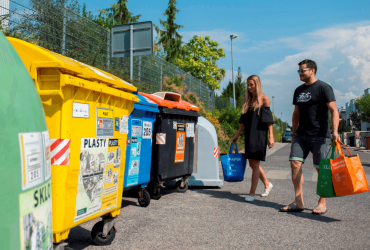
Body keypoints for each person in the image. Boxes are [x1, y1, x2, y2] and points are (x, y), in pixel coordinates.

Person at [280, 59, 339, 214]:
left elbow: (333, 110)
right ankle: (298, 200)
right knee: (294, 164)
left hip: (320, 135)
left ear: (312, 70)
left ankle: (322, 202)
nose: (299, 73)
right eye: (298, 71)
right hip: (301, 135)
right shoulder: (298, 90)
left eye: (302, 70)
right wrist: (293, 133)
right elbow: (296, 114)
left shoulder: (324, 88)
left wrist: (335, 131)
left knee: (321, 170)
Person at [232, 75, 275, 202]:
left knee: (255, 163)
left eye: (252, 84)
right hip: (249, 135)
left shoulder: (264, 99)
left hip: (259, 135)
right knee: (252, 163)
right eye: (248, 85)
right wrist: (237, 134)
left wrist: (271, 137)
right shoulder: (247, 100)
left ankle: (252, 193)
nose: (250, 87)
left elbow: (269, 121)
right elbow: (243, 121)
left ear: (257, 84)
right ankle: (267, 184)